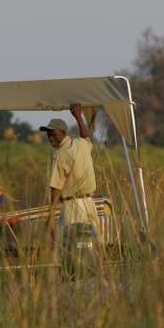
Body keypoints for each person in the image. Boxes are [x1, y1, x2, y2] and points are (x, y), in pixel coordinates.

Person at [40, 104, 100, 246]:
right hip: (89, 203)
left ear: (63, 132)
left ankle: (78, 267)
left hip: (72, 206)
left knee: (74, 245)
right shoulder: (81, 143)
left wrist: (51, 217)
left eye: (53, 133)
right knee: (90, 243)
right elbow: (86, 137)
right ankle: (90, 267)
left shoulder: (60, 154)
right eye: (48, 134)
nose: (50, 137)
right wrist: (79, 117)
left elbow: (56, 187)